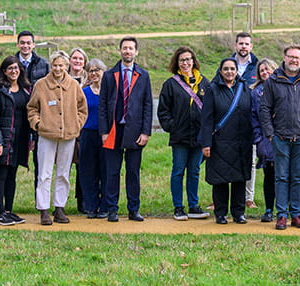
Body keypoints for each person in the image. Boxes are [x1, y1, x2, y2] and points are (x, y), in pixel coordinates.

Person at [259, 44, 300, 230]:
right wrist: (270, 133)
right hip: (280, 137)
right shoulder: (273, 81)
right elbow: (265, 108)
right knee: (281, 177)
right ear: (284, 57)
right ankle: (281, 216)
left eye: (298, 57)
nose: (294, 60)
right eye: (291, 56)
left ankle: (296, 214)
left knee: (298, 177)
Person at [27, 51, 88, 225]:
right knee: (44, 173)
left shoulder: (74, 85)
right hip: (47, 135)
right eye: (55, 65)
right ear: (51, 66)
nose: (58, 68)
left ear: (66, 66)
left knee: (63, 173)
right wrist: (38, 124)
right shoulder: (41, 85)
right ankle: (43, 210)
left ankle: (59, 208)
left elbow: (82, 109)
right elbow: (32, 108)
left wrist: (76, 124)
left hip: (68, 135)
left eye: (61, 65)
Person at [99, 36, 153, 223]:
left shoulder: (144, 75)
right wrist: (104, 131)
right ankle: (112, 209)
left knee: (133, 172)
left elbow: (147, 105)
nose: (127, 51)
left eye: (131, 48)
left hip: (135, 131)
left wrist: (146, 132)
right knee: (112, 171)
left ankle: (133, 209)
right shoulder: (108, 75)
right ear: (120, 51)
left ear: (136, 52)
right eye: (124, 48)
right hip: (114, 130)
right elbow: (103, 105)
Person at [157, 46, 210, 221]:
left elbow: (210, 110)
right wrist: (173, 127)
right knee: (178, 171)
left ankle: (194, 206)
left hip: (198, 136)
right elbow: (163, 111)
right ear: (177, 63)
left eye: (188, 59)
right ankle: (178, 207)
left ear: (194, 61)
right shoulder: (170, 84)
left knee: (194, 171)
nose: (186, 63)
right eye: (182, 60)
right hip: (179, 137)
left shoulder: (204, 83)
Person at [200, 58, 254, 224]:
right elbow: (207, 118)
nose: (229, 72)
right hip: (220, 141)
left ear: (237, 71)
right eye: (226, 69)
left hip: (242, 141)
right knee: (220, 179)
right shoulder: (213, 89)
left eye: (232, 69)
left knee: (240, 178)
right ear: (220, 71)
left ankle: (238, 213)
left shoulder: (244, 87)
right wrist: (206, 143)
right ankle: (221, 213)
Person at [0, 56, 31, 226]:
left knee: (12, 176)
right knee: (1, 175)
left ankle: (9, 211)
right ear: (4, 71)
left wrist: (31, 138)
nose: (14, 71)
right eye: (10, 68)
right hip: (3, 139)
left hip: (19, 139)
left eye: (16, 68)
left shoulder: (25, 89)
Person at [249, 58, 279, 222]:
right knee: (269, 175)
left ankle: (284, 208)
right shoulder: (256, 92)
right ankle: (269, 209)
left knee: (284, 176)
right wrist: (259, 139)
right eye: (262, 70)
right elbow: (253, 117)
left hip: (284, 137)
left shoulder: (284, 88)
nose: (265, 72)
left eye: (268, 69)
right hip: (265, 139)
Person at [232, 32, 260, 209]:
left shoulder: (258, 67)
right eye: (240, 43)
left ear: (251, 46)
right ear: (235, 45)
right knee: (226, 158)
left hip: (251, 122)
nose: (243, 46)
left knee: (250, 161)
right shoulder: (226, 65)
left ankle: (248, 198)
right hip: (229, 121)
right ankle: (220, 197)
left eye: (246, 44)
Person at [78, 59, 109, 219]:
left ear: (104, 72)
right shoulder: (84, 92)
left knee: (106, 171)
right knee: (88, 171)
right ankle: (91, 206)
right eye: (91, 70)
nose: (94, 73)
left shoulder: (109, 91)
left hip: (106, 135)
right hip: (87, 134)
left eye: (97, 70)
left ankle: (104, 206)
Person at [67, 47, 89, 214]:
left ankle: (82, 200)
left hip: (84, 129)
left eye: (80, 59)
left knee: (83, 167)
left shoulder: (90, 79)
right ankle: (60, 203)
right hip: (66, 127)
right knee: (64, 167)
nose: (77, 61)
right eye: (74, 58)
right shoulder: (63, 78)